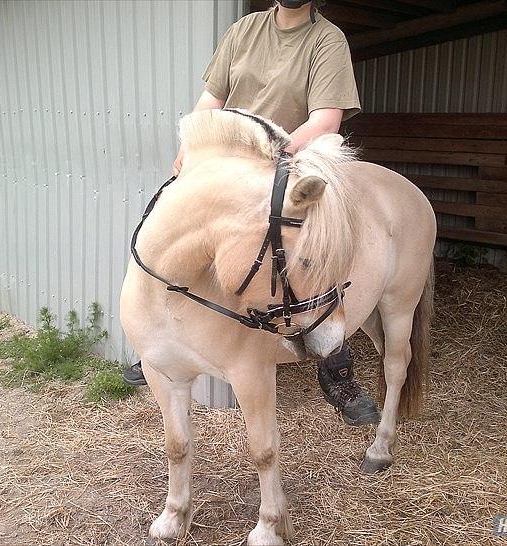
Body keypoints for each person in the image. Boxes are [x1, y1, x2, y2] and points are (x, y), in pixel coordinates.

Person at [123, 0, 380, 426]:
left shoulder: (327, 40)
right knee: (171, 228)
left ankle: (335, 365)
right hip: (228, 163)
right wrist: (190, 148)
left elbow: (325, 120)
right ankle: (158, 339)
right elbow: (211, 99)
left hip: (289, 165)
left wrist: (272, 162)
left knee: (316, 247)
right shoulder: (243, 31)